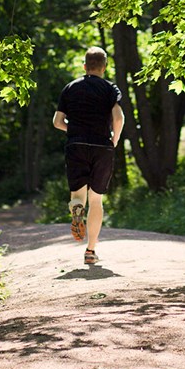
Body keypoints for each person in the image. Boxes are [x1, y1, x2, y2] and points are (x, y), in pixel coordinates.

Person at [52, 46, 124, 265]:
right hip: (102, 145)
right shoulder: (110, 89)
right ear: (104, 67)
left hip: (76, 145)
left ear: (85, 66)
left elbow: (57, 122)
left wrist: (74, 131)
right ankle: (90, 251)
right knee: (96, 199)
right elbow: (119, 119)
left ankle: (76, 210)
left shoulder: (70, 88)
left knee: (78, 194)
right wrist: (114, 140)